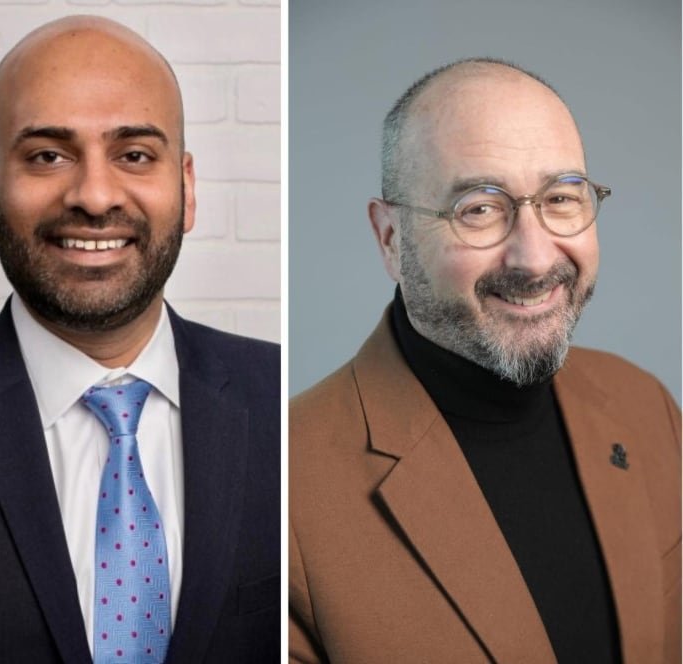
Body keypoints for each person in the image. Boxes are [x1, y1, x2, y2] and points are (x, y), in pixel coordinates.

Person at [0, 15, 279, 662]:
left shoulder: (282, 408)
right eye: (47, 155)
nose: (95, 197)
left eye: (133, 155)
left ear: (185, 187)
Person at [288, 58, 680, 663]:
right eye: (478, 208)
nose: (533, 255)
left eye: (561, 197)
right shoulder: (287, 486)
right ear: (391, 238)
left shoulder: (646, 405)